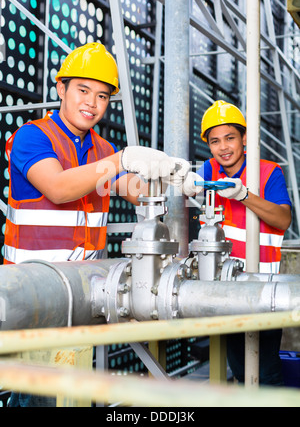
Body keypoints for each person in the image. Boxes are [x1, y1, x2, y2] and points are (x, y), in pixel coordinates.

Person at [4, 42, 201, 406]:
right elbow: (59, 187)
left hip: (81, 294)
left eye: (102, 96)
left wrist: (173, 181)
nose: (92, 104)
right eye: (82, 90)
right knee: (40, 396)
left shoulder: (98, 149)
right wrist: (122, 158)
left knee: (66, 393)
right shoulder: (34, 137)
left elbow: (134, 190)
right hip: (32, 293)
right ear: (60, 88)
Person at [197, 100, 292, 385]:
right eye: (215, 141)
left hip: (263, 288)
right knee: (239, 369)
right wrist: (185, 183)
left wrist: (244, 196)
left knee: (265, 372)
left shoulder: (268, 172)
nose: (223, 147)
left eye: (230, 138)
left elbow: (283, 219)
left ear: (244, 139)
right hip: (222, 288)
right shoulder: (208, 169)